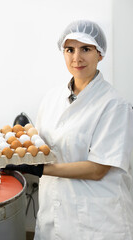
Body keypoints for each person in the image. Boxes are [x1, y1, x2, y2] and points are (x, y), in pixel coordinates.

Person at [7, 20, 133, 239]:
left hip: (97, 220)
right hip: (53, 216)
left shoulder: (115, 105)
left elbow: (97, 169)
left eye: (86, 49)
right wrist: (22, 137)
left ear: (100, 53)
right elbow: (47, 146)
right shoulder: (52, 98)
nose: (77, 58)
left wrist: (39, 169)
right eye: (70, 49)